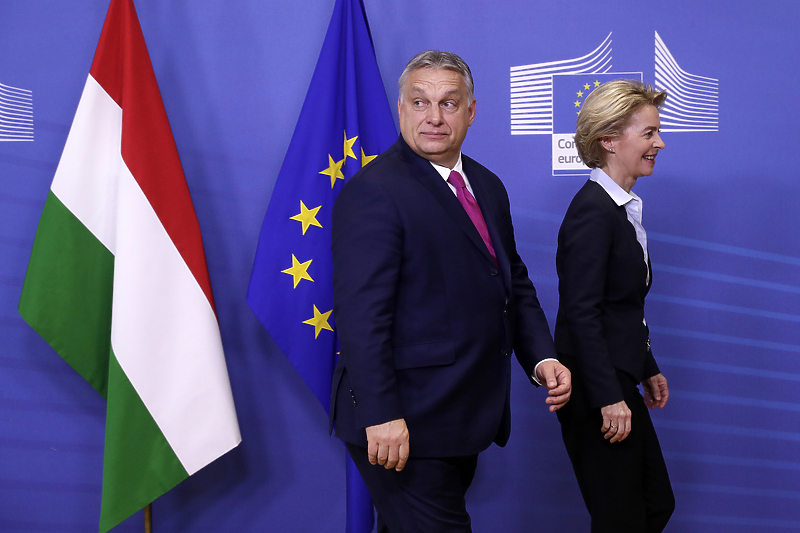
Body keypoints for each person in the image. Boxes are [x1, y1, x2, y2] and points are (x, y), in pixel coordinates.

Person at [329, 50, 571, 532]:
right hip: (402, 422)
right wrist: (382, 414)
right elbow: (362, 316)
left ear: (471, 111)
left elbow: (510, 281)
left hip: (461, 417)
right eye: (419, 103)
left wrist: (543, 358)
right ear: (401, 110)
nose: (434, 117)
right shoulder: (374, 192)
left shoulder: (487, 185)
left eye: (448, 103)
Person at [554, 79, 675, 532]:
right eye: (648, 133)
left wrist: (645, 365)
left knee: (651, 505)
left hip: (616, 375)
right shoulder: (592, 212)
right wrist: (608, 396)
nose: (659, 143)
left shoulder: (619, 209)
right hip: (595, 387)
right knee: (622, 518)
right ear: (608, 139)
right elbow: (580, 314)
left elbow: (619, 306)